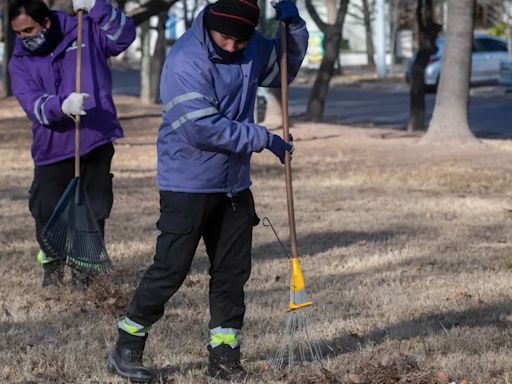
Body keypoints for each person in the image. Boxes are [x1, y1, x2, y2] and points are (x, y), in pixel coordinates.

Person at [106, 0, 308, 382]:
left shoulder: (250, 47)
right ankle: (127, 343)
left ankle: (224, 354)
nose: (232, 46)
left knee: (233, 272)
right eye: (225, 37)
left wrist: (294, 29)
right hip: (188, 181)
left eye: (241, 39)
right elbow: (201, 128)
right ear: (210, 25)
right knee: (171, 268)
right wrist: (261, 137)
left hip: (233, 183)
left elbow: (283, 69)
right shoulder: (186, 60)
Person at [8, 0, 135, 287]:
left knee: (93, 209)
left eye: (29, 30)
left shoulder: (84, 30)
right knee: (45, 210)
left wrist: (95, 6)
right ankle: (52, 263)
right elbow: (32, 103)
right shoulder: (19, 61)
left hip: (94, 139)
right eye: (18, 34)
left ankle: (85, 276)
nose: (24, 38)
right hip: (52, 145)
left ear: (47, 22)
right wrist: (60, 105)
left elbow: (124, 36)